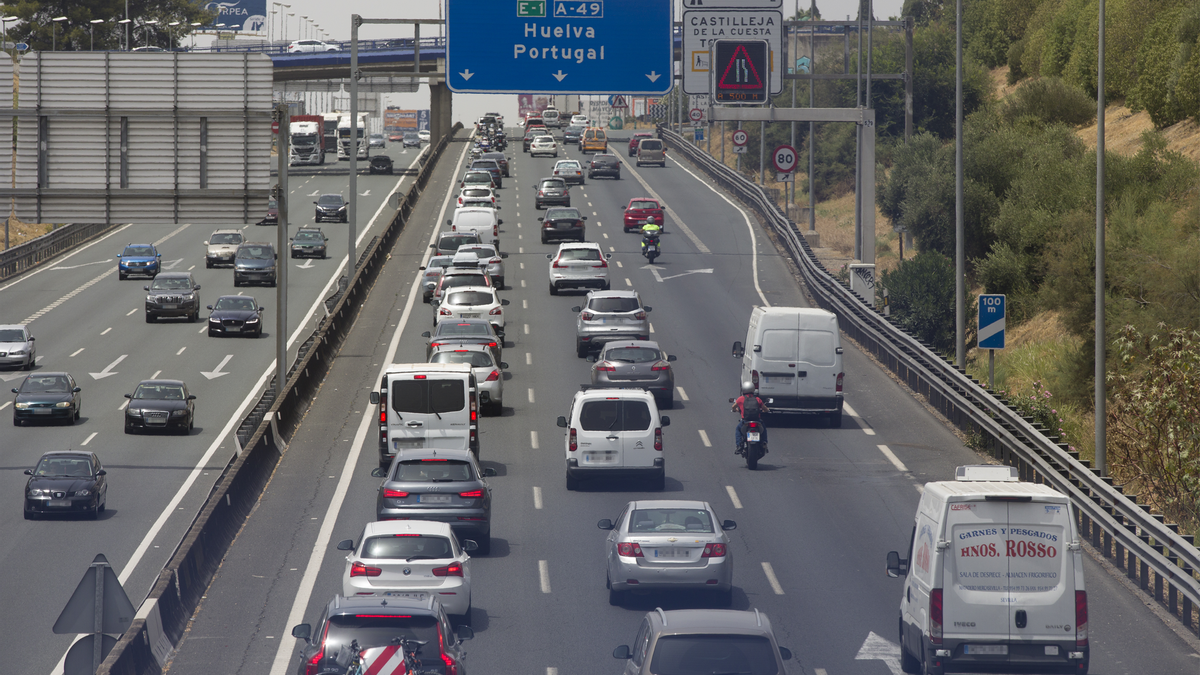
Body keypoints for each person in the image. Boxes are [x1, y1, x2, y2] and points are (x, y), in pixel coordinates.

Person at [731, 381, 769, 455]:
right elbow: (765, 408)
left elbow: (733, 407)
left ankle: (739, 445)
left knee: (738, 429)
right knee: (763, 428)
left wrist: (734, 410)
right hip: (757, 421)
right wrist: (766, 410)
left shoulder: (740, 399)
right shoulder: (757, 399)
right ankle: (764, 442)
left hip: (745, 422)